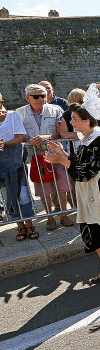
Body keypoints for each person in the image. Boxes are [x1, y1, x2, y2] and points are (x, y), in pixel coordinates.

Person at [44, 103, 100, 283]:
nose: (72, 123)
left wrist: (60, 160)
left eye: (75, 119)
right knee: (94, 229)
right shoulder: (86, 139)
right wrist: (63, 154)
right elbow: (80, 163)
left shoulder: (99, 139)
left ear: (87, 120)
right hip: (89, 191)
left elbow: (86, 171)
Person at [16, 83, 73, 229]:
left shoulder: (55, 110)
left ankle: (64, 214)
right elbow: (18, 135)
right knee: (43, 188)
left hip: (55, 153)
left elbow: (60, 133)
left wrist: (46, 137)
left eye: (43, 96)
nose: (40, 99)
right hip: (36, 156)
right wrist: (28, 140)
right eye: (36, 96)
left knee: (62, 185)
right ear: (27, 97)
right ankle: (49, 217)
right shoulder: (19, 113)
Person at [0, 93, 37, 240]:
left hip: (15, 162)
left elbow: (20, 137)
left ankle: (29, 225)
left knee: (23, 195)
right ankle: (19, 227)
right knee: (7, 195)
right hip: (1, 166)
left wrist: (4, 144)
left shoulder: (12, 115)